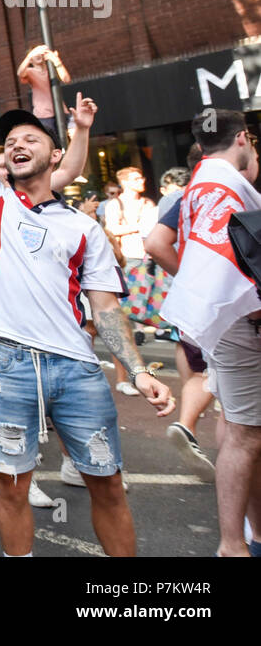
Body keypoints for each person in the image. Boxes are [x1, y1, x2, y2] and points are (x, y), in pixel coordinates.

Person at [0, 27, 172, 556]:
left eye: (29, 139)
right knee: (11, 488)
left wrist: (141, 370)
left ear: (54, 156)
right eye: (10, 141)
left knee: (106, 484)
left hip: (77, 369)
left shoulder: (82, 228)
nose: (16, 144)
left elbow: (105, 309)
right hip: (7, 365)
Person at [161, 109, 261, 557]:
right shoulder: (226, 186)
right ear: (242, 138)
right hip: (239, 323)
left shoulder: (199, 184)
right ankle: (232, 545)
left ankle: (252, 534)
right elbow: (237, 261)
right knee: (246, 434)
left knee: (239, 425)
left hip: (221, 324)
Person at [143, 151, 215, 480]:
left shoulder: (183, 199)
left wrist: (187, 279)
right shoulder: (228, 193)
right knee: (234, 406)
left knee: (200, 374)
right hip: (224, 303)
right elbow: (156, 243)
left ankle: (188, 426)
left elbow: (156, 243)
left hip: (189, 302)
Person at [105, 166, 159, 396]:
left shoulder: (148, 203)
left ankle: (142, 374)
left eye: (142, 176)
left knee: (150, 314)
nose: (142, 180)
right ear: (125, 182)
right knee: (122, 321)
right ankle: (122, 378)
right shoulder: (114, 205)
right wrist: (139, 227)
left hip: (149, 260)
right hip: (127, 262)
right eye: (136, 178)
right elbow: (111, 229)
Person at [17, 44, 71, 142]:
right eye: (35, 54)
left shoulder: (51, 69)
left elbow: (66, 79)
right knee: (51, 142)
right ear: (31, 59)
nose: (38, 55)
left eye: (40, 53)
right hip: (44, 115)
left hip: (61, 110)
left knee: (71, 138)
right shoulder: (30, 71)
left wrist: (56, 60)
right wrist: (29, 56)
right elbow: (20, 73)